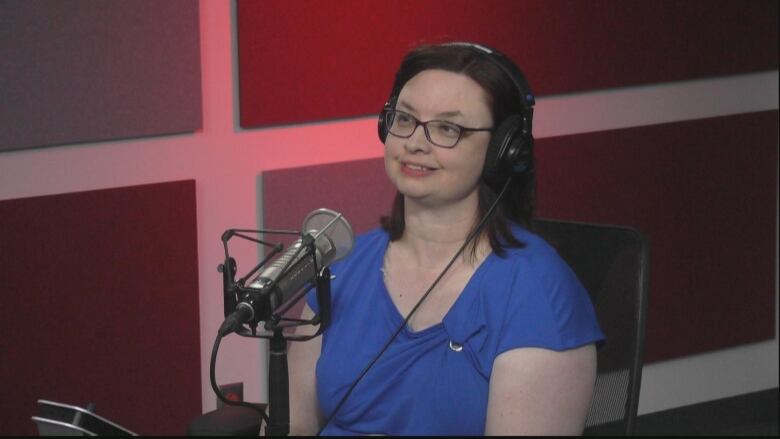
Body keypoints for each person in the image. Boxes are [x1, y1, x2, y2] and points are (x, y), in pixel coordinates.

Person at [287, 42, 605, 435]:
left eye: (447, 128)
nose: (415, 142)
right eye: (404, 119)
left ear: (503, 151)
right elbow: (294, 424)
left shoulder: (538, 296)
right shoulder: (342, 266)